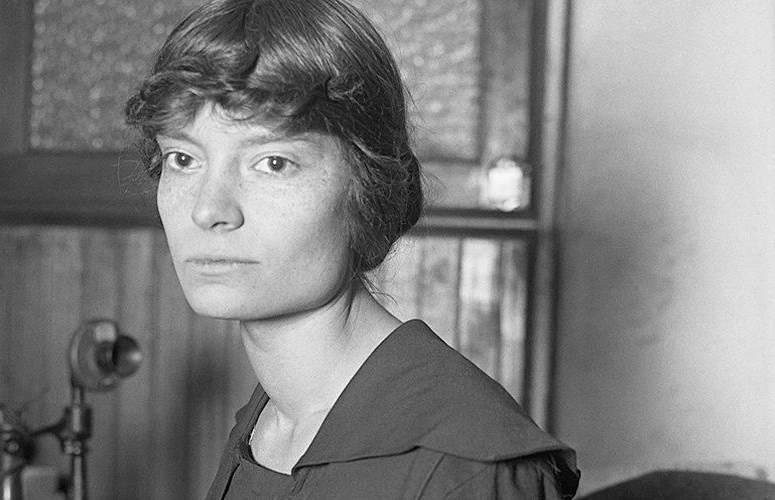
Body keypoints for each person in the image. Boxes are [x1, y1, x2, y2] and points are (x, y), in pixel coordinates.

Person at [125, 0, 579, 498]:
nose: (209, 210)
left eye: (273, 163)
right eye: (183, 158)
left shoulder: (461, 470)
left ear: (369, 186)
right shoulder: (272, 420)